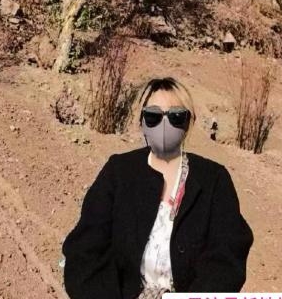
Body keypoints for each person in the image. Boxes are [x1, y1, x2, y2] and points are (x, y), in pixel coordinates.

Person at [62, 76, 254, 299]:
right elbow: (85, 250)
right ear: (142, 121)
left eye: (176, 116)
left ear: (189, 122)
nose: (164, 125)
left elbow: (226, 257)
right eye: (153, 116)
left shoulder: (214, 180)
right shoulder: (119, 172)